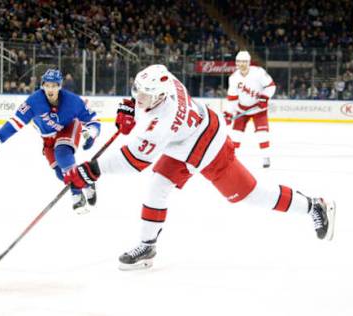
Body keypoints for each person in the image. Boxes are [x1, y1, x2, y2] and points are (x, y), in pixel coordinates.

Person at [63, 64, 336, 270]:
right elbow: (147, 105)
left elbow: (136, 160)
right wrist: (134, 109)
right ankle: (147, 247)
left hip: (208, 148)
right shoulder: (166, 81)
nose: (138, 97)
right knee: (157, 187)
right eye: (137, 92)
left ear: (159, 96)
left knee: (251, 196)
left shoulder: (164, 124)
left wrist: (91, 170)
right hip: (185, 140)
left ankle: (314, 205)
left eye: (144, 95)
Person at [0, 69, 101, 214]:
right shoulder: (34, 101)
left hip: (68, 127)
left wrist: (92, 133)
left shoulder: (72, 101)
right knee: (59, 172)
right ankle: (86, 181)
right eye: (47, 85)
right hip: (48, 136)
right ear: (42, 85)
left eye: (54, 85)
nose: (50, 89)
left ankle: (76, 194)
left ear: (60, 86)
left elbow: (92, 119)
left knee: (62, 153)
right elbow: (16, 122)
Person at [224, 51, 276, 168]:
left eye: (244, 61)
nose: (241, 64)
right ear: (236, 63)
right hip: (242, 110)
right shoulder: (233, 78)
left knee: (262, 134)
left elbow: (271, 86)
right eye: (239, 62)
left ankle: (266, 157)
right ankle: (231, 159)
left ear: (248, 62)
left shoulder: (258, 72)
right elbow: (232, 98)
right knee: (236, 135)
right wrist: (228, 113)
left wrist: (264, 98)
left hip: (259, 109)